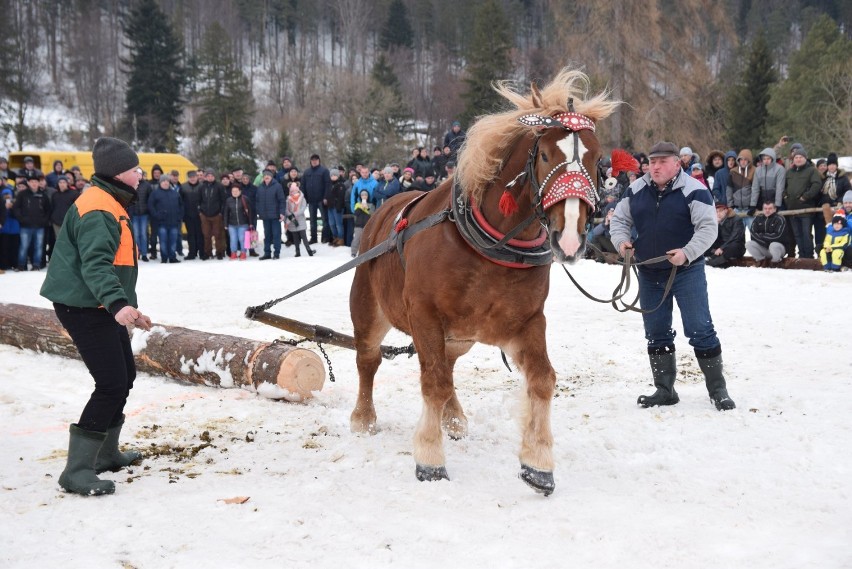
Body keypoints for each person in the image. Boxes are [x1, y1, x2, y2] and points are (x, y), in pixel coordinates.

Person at [40, 137, 151, 496]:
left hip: (98, 303)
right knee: (111, 383)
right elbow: (96, 265)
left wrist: (124, 306)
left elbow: (111, 266)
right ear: (120, 173)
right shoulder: (99, 208)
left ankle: (106, 454)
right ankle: (76, 470)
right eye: (136, 170)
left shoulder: (109, 201)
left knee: (125, 375)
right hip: (83, 306)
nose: (140, 175)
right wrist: (118, 306)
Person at [610, 141, 735, 411]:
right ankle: (664, 390)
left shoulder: (695, 190)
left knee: (700, 329)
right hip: (648, 270)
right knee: (656, 332)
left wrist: (687, 253)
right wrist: (622, 242)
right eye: (652, 161)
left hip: (686, 271)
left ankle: (718, 390)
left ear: (677, 164)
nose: (655, 166)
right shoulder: (636, 189)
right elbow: (619, 221)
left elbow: (708, 228)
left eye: (662, 161)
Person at [783, 146, 822, 259]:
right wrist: (785, 196)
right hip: (792, 209)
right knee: (797, 235)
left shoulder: (811, 170)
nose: (798, 159)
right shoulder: (789, 172)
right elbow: (784, 187)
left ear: (805, 158)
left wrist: (805, 197)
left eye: (800, 157)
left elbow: (816, 185)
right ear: (793, 159)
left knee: (806, 234)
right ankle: (801, 256)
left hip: (806, 208)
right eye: (796, 157)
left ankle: (808, 256)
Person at [12, 173, 50, 271]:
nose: (34, 184)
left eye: (36, 182)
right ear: (28, 183)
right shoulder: (22, 194)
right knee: (24, 246)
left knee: (38, 246)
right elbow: (16, 208)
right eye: (32, 182)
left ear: (38, 183)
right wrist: (21, 219)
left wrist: (44, 221)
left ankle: (36, 265)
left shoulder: (43, 195)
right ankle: (21, 265)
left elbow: (48, 210)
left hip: (40, 226)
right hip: (25, 226)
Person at [147, 174, 184, 263]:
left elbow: (181, 206)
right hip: (161, 223)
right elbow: (150, 206)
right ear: (160, 182)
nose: (165, 183)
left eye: (167, 181)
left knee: (173, 241)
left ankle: (172, 257)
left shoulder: (175, 193)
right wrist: (156, 215)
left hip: (174, 222)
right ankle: (164, 257)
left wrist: (179, 217)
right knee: (163, 242)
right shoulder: (155, 193)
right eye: (163, 181)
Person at [746, 201, 791, 266]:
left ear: (775, 209)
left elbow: (778, 236)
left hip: (779, 249)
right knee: (749, 244)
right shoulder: (758, 218)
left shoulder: (780, 219)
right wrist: (764, 242)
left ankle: (776, 262)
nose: (767, 210)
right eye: (765, 208)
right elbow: (753, 234)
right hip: (764, 248)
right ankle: (762, 261)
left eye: (770, 208)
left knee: (773, 244)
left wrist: (761, 236)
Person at [301, 153, 332, 244]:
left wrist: (326, 197)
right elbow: (303, 185)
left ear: (319, 161)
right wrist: (304, 198)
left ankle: (325, 237)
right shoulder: (307, 172)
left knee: (325, 220)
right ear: (310, 161)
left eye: (316, 160)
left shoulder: (324, 171)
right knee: (312, 221)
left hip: (321, 200)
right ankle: (313, 238)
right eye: (313, 160)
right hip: (311, 200)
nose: (314, 161)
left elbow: (328, 184)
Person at [255, 170, 285, 260]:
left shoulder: (277, 186)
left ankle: (276, 253)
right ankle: (267, 253)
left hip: (275, 215)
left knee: (276, 235)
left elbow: (282, 200)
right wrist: (259, 211)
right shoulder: (260, 187)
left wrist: (282, 212)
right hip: (265, 216)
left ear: (271, 177)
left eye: (268, 175)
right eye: (265, 175)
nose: (266, 177)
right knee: (267, 235)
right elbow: (257, 201)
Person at [198, 168, 227, 260]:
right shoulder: (202, 186)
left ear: (214, 177)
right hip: (205, 215)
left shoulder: (219, 186)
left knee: (218, 235)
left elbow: (223, 200)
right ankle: (207, 252)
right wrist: (200, 211)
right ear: (205, 177)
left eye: (212, 176)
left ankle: (220, 252)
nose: (210, 177)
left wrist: (220, 212)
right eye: (208, 176)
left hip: (216, 214)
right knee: (206, 235)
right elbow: (199, 200)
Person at [223, 183, 254, 260]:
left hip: (243, 223)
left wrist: (250, 223)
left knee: (242, 238)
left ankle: (243, 253)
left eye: (236, 191)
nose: (235, 192)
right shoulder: (228, 200)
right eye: (233, 191)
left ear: (240, 191)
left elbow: (250, 212)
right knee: (233, 239)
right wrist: (225, 224)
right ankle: (233, 253)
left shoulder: (245, 199)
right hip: (232, 224)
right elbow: (226, 213)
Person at [749, 148, 785, 213]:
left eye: (768, 159)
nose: (766, 161)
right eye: (764, 159)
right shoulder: (758, 170)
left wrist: (777, 204)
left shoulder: (779, 169)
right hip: (762, 201)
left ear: (772, 158)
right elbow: (755, 188)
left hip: (775, 199)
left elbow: (780, 188)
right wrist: (753, 205)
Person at [726, 149, 755, 231]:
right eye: (741, 159)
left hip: (749, 209)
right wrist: (730, 205)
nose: (743, 162)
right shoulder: (733, 171)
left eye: (745, 159)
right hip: (737, 208)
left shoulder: (754, 171)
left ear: (749, 160)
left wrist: (753, 205)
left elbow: (755, 190)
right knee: (737, 234)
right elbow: (729, 189)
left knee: (753, 232)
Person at [284, 183, 314, 257]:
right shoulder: (288, 199)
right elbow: (286, 209)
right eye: (292, 191)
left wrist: (294, 214)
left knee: (304, 236)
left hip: (300, 219)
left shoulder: (302, 198)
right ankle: (297, 252)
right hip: (292, 220)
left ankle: (309, 250)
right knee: (295, 237)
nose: (294, 192)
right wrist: (290, 215)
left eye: (295, 190)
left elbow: (302, 209)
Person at [179, 170, 203, 260]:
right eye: (191, 177)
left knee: (200, 234)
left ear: (197, 177)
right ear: (188, 178)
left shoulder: (201, 186)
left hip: (200, 214)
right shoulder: (183, 187)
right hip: (188, 214)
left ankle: (202, 252)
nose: (192, 179)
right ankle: (192, 253)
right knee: (191, 235)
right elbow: (180, 201)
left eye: (194, 177)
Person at [350, 189, 374, 258]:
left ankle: (366, 252)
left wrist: (367, 208)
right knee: (357, 238)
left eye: (365, 195)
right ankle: (353, 252)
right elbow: (356, 214)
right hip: (358, 225)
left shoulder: (371, 205)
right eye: (362, 195)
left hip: (368, 225)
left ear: (368, 196)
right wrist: (361, 208)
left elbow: (373, 214)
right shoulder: (357, 204)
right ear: (360, 196)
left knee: (367, 239)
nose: (364, 196)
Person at [326, 169, 346, 246]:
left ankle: (340, 238)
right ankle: (335, 237)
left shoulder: (341, 185)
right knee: (332, 224)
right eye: (332, 175)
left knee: (338, 224)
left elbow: (341, 197)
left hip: (337, 207)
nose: (333, 177)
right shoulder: (329, 184)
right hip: (330, 207)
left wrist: (339, 207)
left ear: (338, 176)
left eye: (335, 175)